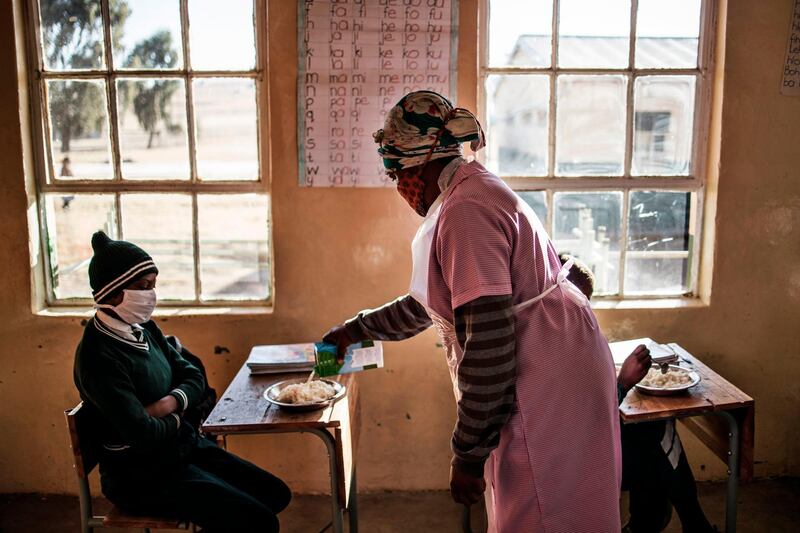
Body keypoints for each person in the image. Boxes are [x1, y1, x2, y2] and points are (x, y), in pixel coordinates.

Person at [324, 91, 622, 532]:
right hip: (566, 362)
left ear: (419, 165)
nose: (400, 188)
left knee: (543, 515)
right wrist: (358, 328)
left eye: (396, 175)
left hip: (545, 385)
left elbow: (489, 345)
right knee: (569, 509)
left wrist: (467, 453)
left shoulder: (465, 213)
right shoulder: (474, 187)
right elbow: (436, 303)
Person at [74, 231, 291, 532]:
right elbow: (143, 434)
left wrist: (167, 404)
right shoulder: (99, 357)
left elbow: (194, 376)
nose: (151, 294)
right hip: (140, 475)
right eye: (143, 287)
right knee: (258, 522)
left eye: (154, 285)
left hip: (181, 449)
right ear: (112, 293)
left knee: (275, 494)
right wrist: (179, 415)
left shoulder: (143, 328)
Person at [561, 254, 716, 533]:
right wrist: (623, 383)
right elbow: (586, 420)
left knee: (653, 431)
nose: (584, 313)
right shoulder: (558, 350)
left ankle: (658, 524)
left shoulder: (557, 336)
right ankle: (688, 525)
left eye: (587, 305)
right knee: (657, 441)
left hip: (573, 449)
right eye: (579, 303)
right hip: (575, 463)